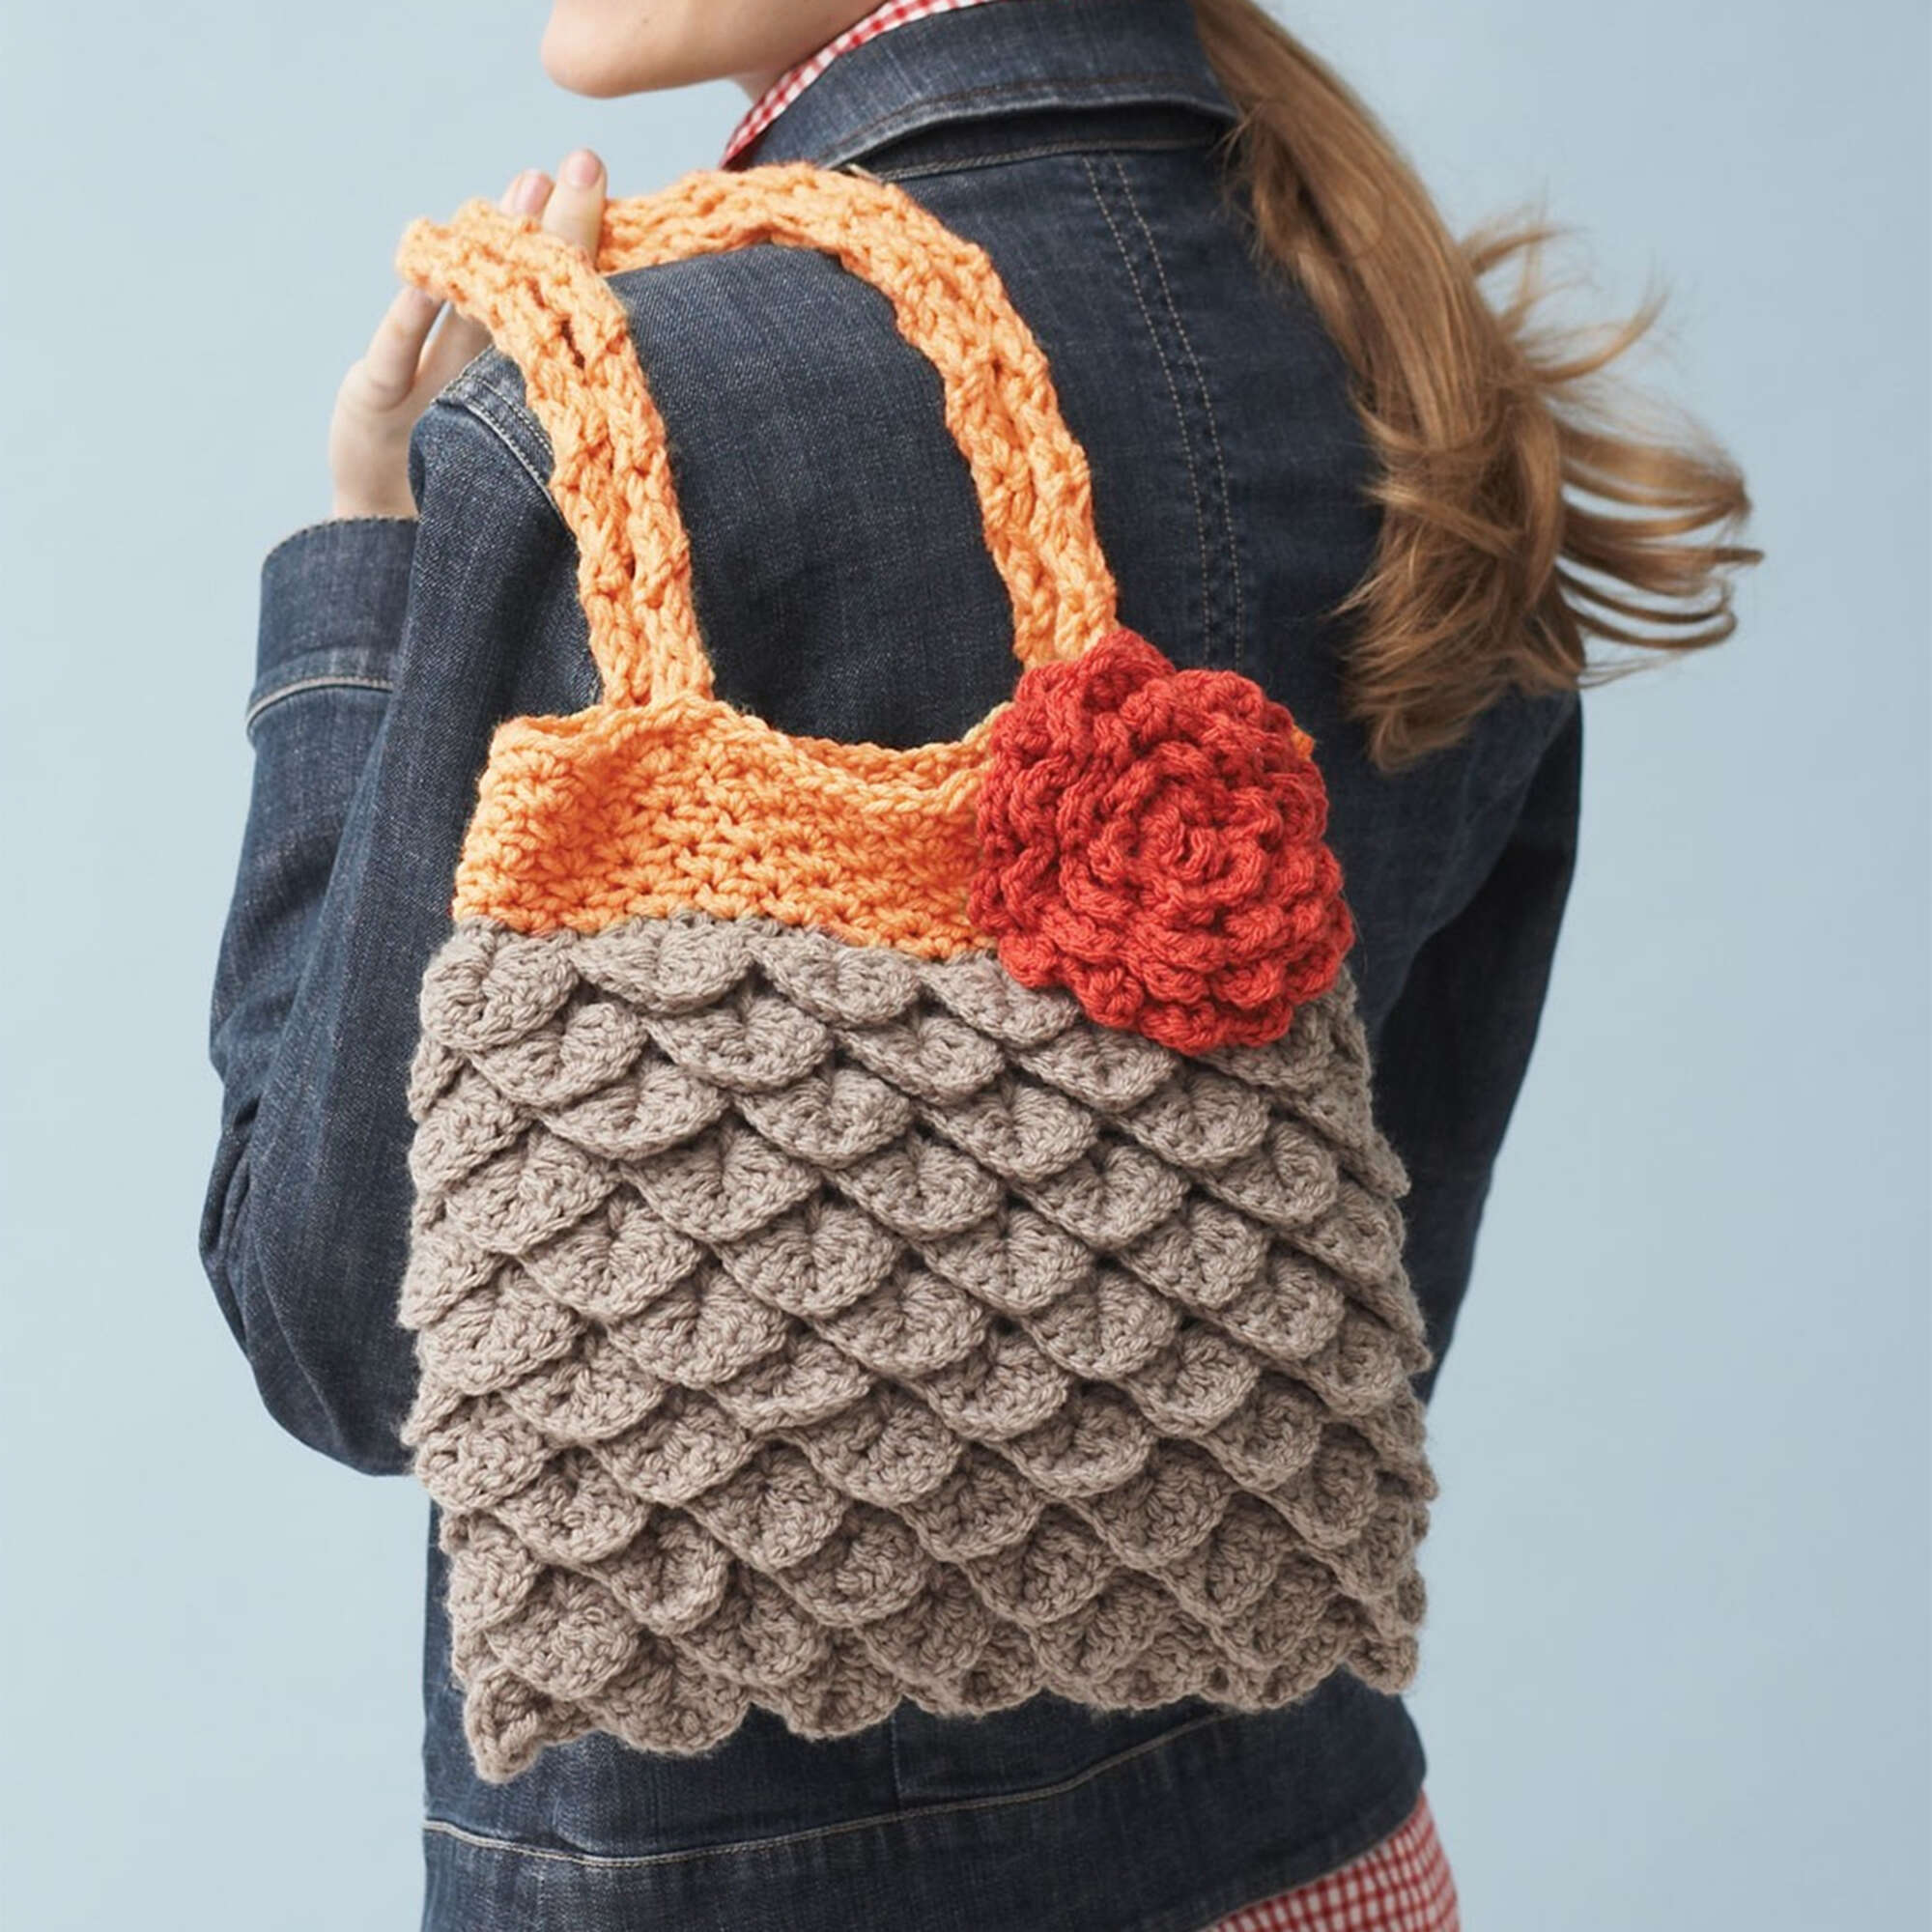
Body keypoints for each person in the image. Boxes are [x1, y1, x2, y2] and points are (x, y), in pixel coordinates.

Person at [199, 2, 1757, 1926]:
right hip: (1318, 1858)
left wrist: (361, 568)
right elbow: (1352, 1320)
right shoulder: (1411, 349)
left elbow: (346, 1340)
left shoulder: (612, 427)